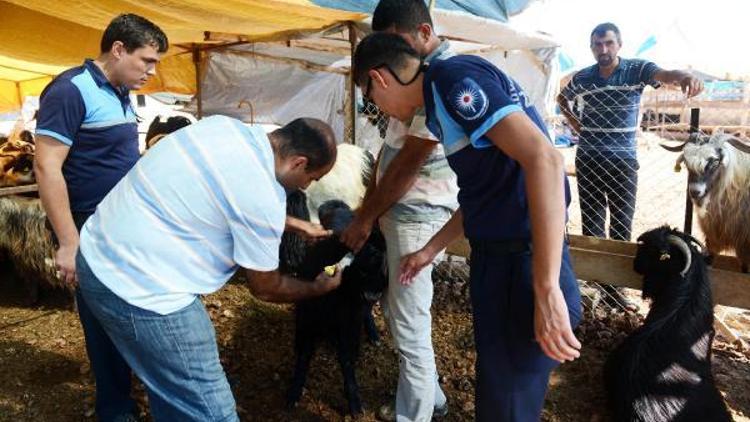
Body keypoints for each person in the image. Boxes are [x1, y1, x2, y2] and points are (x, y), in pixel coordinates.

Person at [352, 33, 583, 422]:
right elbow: (489, 191)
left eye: (369, 98)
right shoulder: (444, 100)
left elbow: (545, 161)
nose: (379, 110)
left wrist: (545, 289)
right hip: (505, 260)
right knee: (501, 391)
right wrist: (431, 248)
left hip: (520, 266)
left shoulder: (451, 80)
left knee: (507, 402)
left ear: (380, 78)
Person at [75, 116, 342, 421]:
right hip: (143, 294)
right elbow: (265, 288)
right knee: (210, 412)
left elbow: (219, 196)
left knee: (169, 388)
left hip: (95, 256)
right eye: (312, 178)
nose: (307, 186)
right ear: (298, 163)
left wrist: (290, 224)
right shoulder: (264, 195)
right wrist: (318, 288)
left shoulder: (219, 127)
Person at [34, 14, 168, 421]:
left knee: (133, 313)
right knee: (103, 322)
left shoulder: (120, 90)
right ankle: (114, 410)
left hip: (125, 224)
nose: (152, 71)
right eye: (147, 60)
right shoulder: (70, 90)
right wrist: (69, 242)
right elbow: (46, 167)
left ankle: (130, 393)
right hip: (91, 229)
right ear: (118, 49)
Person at [340, 1, 458, 420]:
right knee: (399, 311)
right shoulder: (413, 74)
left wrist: (365, 217)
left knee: (409, 324)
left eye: (397, 41)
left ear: (423, 33)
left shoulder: (438, 80)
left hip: (418, 220)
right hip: (403, 216)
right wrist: (369, 209)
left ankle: (416, 415)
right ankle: (433, 397)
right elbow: (391, 151)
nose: (391, 51)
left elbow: (407, 165)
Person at [557, 22, 703, 308]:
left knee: (622, 225)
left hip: (623, 162)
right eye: (598, 45)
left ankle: (616, 292)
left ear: (619, 45)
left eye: (609, 43)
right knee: (592, 225)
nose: (604, 49)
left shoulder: (637, 69)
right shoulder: (584, 77)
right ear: (592, 48)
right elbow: (562, 98)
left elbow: (666, 74)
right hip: (588, 159)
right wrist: (576, 122)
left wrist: (685, 75)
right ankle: (600, 286)